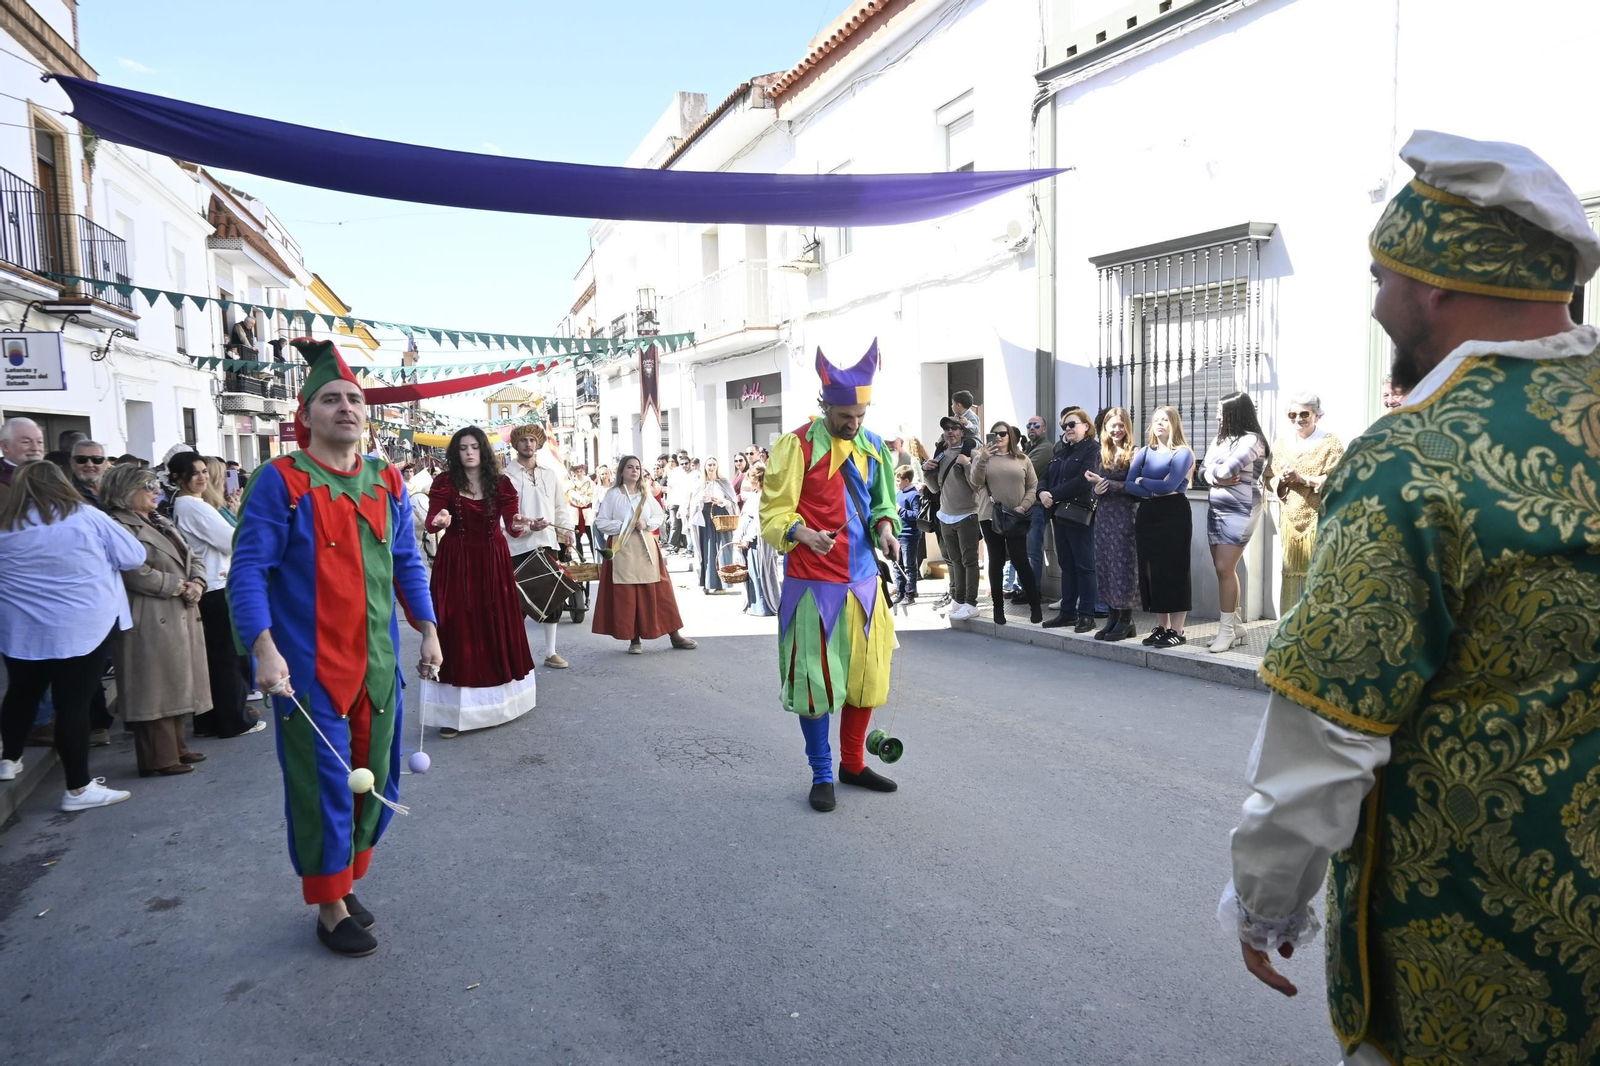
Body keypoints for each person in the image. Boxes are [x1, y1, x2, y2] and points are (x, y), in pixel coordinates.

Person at [1223, 131, 1600, 1066]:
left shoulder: (1414, 461)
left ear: (1434, 284)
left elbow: (1332, 728)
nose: (1380, 299)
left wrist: (1266, 901)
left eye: (1381, 275)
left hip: (1475, 949)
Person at [229, 338, 441, 957]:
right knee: (324, 783)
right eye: (331, 399)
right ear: (307, 414)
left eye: (353, 398)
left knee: (376, 782)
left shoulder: (389, 478)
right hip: (309, 672)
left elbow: (407, 563)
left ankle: (343, 884)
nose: (345, 407)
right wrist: (263, 649)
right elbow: (247, 572)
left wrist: (427, 629)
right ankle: (328, 906)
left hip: (378, 669)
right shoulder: (279, 481)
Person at [761, 343, 902, 813]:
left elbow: (884, 504)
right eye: (844, 415)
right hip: (812, 587)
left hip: (862, 586)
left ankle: (852, 764)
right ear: (825, 407)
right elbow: (773, 514)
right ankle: (822, 773)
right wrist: (801, 532)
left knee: (867, 680)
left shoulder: (875, 447)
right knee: (815, 684)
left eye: (859, 414)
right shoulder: (796, 446)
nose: (853, 423)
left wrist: (886, 531)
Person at [0, 461, 144, 810]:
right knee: (73, 706)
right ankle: (78, 788)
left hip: (22, 631)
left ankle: (9, 759)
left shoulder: (6, 525)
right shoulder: (85, 517)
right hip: (83, 627)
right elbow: (133, 556)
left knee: (21, 694)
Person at [101, 463, 215, 776]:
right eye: (147, 486)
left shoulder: (158, 519)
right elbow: (134, 572)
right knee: (154, 687)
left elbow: (193, 555)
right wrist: (179, 586)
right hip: (149, 613)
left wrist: (198, 582)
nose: (156, 492)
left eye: (155, 485)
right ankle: (158, 758)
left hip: (178, 610)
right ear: (125, 492)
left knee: (176, 681)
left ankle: (176, 747)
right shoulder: (118, 525)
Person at [426, 426, 536, 736]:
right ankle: (452, 714)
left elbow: (513, 524)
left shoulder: (501, 483)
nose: (469, 452)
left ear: (483, 451)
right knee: (456, 626)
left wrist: (517, 523)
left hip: (492, 558)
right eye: (463, 448)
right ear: (456, 452)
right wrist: (440, 519)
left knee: (493, 624)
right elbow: (435, 519)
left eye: (474, 447)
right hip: (456, 560)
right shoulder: (444, 482)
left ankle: (497, 705)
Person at [168, 452, 260, 740]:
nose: (202, 477)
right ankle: (233, 720)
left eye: (203, 471)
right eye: (194, 473)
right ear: (178, 478)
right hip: (215, 586)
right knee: (227, 658)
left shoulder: (191, 504)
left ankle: (211, 720)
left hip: (211, 583)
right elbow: (233, 541)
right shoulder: (192, 506)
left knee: (216, 658)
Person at [591, 455, 696, 654]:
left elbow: (658, 515)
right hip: (622, 549)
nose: (634, 471)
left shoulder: (645, 493)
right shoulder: (613, 494)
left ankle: (674, 635)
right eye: (630, 467)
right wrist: (624, 526)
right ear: (622, 471)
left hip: (646, 546)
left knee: (661, 591)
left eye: (637, 467)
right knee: (629, 595)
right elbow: (601, 521)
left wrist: (646, 524)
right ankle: (634, 639)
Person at [1202, 392, 1269, 653]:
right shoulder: (1221, 439)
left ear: (1235, 412)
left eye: (1222, 410)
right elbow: (1203, 470)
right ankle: (1237, 626)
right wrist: (1213, 476)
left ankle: (1226, 631)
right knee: (1222, 569)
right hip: (1216, 509)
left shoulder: (1252, 441)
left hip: (1241, 510)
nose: (1218, 415)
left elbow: (1227, 470)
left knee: (1224, 567)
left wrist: (1214, 473)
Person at [504, 423, 574, 671]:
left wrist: (567, 532)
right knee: (517, 603)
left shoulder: (549, 474)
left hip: (546, 543)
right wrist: (522, 528)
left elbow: (559, 507)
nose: (528, 444)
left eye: (533, 440)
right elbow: (501, 517)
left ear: (539, 444)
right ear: (516, 444)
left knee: (551, 599)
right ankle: (516, 653)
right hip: (516, 546)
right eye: (523, 440)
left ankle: (551, 652)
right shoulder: (505, 476)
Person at [1265, 392, 1345, 610]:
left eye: (1304, 414)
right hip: (1290, 521)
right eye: (1293, 414)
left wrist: (1303, 479)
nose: (1298, 419)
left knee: (1320, 573)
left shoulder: (1330, 443)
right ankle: (1289, 632)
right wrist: (1281, 480)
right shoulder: (1281, 445)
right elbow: (1268, 478)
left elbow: (1339, 480)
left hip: (1320, 519)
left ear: (1316, 415)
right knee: (1290, 574)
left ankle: (1318, 632)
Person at [1124, 407, 1193, 648]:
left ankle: (1178, 630)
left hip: (1174, 513)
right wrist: (1153, 487)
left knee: (1174, 569)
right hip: (1148, 514)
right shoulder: (1144, 452)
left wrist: (1144, 482)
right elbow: (1129, 484)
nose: (1159, 424)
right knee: (1151, 570)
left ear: (1174, 423)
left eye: (1164, 419)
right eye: (1155, 420)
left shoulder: (1183, 453)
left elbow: (1171, 485)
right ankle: (1162, 627)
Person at [970, 420, 1041, 624]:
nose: (999, 437)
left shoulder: (1022, 459)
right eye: (995, 434)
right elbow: (974, 482)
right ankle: (998, 609)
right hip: (990, 515)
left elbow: (1033, 485)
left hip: (1016, 515)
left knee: (1020, 560)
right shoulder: (981, 456)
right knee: (997, 561)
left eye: (1003, 433)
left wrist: (1024, 506)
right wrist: (982, 458)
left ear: (1010, 436)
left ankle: (1035, 607)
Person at [1039, 408, 1099, 631]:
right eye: (1065, 426)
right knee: (1066, 565)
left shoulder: (1093, 449)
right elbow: (1045, 476)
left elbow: (1084, 480)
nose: (1068, 429)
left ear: (1086, 426)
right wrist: (1042, 492)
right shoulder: (1061, 451)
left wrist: (1053, 494)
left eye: (1072, 424)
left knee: (1084, 566)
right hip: (1059, 514)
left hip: (1079, 513)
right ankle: (1067, 613)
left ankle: (1086, 615)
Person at [1083, 407, 1138, 641]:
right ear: (1104, 428)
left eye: (1120, 425)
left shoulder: (1135, 453)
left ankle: (1126, 620)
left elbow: (1137, 488)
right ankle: (1112, 617)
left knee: (1123, 567)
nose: (1116, 429)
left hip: (1126, 517)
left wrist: (1107, 484)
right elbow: (1094, 489)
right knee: (1106, 565)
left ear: (1127, 426)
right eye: (1112, 425)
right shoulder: (1101, 453)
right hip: (1104, 517)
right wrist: (1096, 489)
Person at [925, 415, 981, 620]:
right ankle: (958, 599)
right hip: (945, 515)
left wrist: (967, 464)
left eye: (954, 428)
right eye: (947, 429)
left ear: (962, 432)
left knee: (969, 561)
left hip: (967, 514)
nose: (950, 432)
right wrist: (927, 472)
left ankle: (971, 602)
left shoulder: (972, 453)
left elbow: (977, 485)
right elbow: (934, 488)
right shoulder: (940, 455)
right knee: (955, 561)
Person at [733, 465, 780, 617]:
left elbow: (759, 521)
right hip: (749, 534)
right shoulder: (754, 494)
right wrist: (739, 535)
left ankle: (764, 605)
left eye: (751, 478)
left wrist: (747, 538)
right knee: (751, 570)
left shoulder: (764, 497)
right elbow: (745, 517)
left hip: (758, 538)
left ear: (758, 479)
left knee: (760, 569)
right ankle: (753, 604)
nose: (749, 481)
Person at [690, 457, 738, 594]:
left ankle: (721, 585)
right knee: (707, 550)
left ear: (717, 466)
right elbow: (693, 502)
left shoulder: (724, 482)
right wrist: (701, 499)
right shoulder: (701, 483)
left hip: (721, 517)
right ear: (704, 467)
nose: (711, 467)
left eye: (713, 465)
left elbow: (733, 502)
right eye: (709, 465)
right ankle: (707, 582)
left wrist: (721, 501)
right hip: (705, 518)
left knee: (721, 550)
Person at [0, 416, 45, 507]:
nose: (35, 448)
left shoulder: (51, 473)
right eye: (26, 442)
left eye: (39, 442)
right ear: (5, 446)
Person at [892, 465, 921, 604]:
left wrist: (900, 511)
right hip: (898, 533)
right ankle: (900, 591)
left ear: (907, 480)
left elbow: (916, 515)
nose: (897, 484)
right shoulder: (899, 494)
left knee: (909, 566)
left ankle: (910, 593)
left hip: (909, 536)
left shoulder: (914, 495)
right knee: (897, 565)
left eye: (899, 481)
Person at [666, 451, 695, 553]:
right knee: (674, 524)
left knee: (687, 526)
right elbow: (669, 487)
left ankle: (688, 547)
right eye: (680, 459)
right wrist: (668, 501)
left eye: (685, 462)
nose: (684, 465)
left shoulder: (693, 473)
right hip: (674, 501)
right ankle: (673, 545)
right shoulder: (674, 472)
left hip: (686, 503)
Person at [566, 462, 594, 563]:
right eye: (577, 471)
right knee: (577, 537)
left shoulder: (589, 482)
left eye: (581, 471)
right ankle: (581, 558)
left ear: (584, 471)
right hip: (575, 512)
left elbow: (592, 495)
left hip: (586, 512)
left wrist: (585, 499)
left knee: (590, 536)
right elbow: (569, 493)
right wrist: (577, 497)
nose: (579, 473)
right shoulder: (570, 483)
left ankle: (594, 557)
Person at [68, 438, 108, 504]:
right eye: (81, 459)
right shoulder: (66, 495)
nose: (90, 465)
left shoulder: (117, 489)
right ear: (72, 463)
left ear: (105, 463)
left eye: (96, 459)